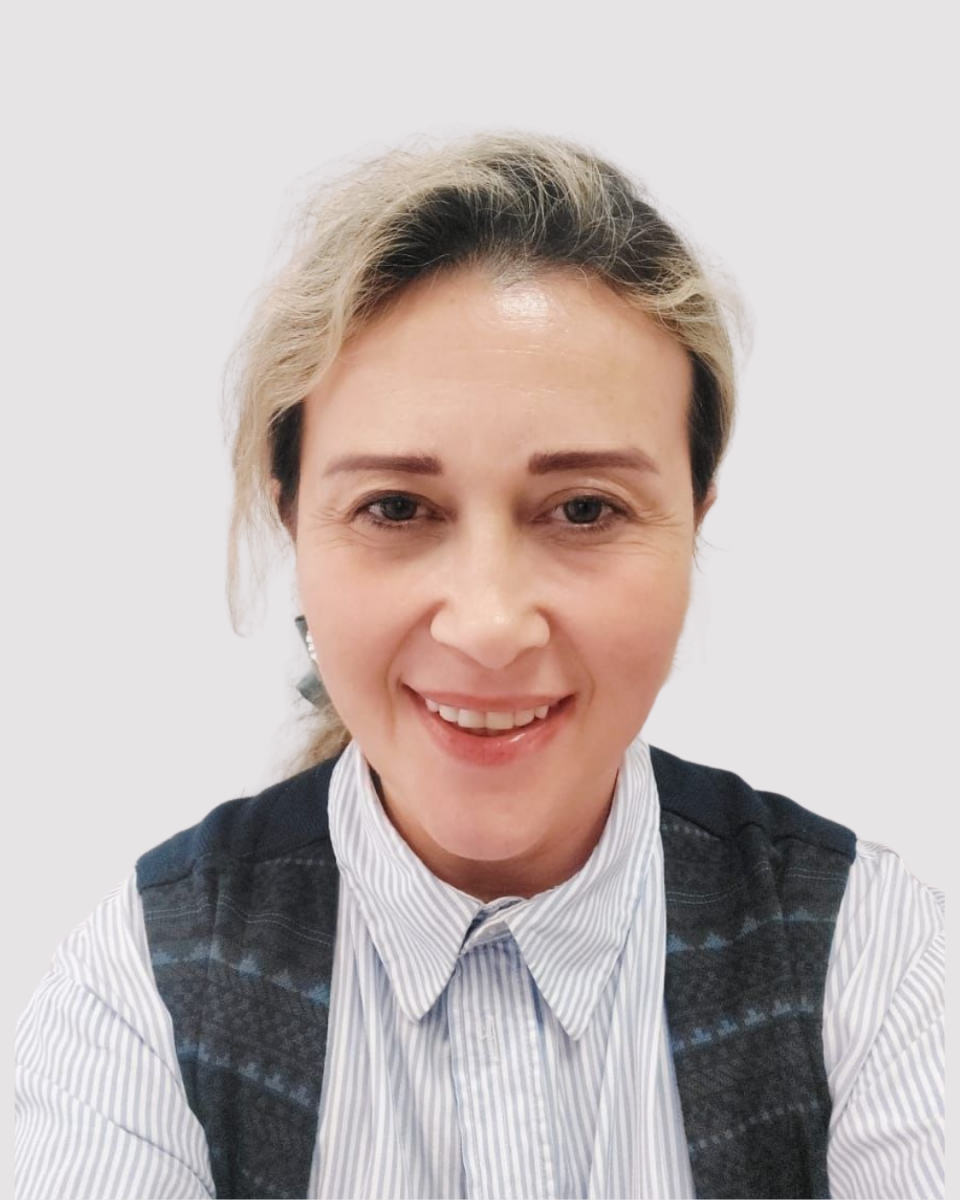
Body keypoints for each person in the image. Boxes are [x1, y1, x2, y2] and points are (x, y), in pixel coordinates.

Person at [15, 131, 944, 1200]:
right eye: (395, 508)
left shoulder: (874, 957)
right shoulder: (143, 985)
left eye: (585, 509)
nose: (491, 625)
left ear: (695, 520)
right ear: (293, 525)